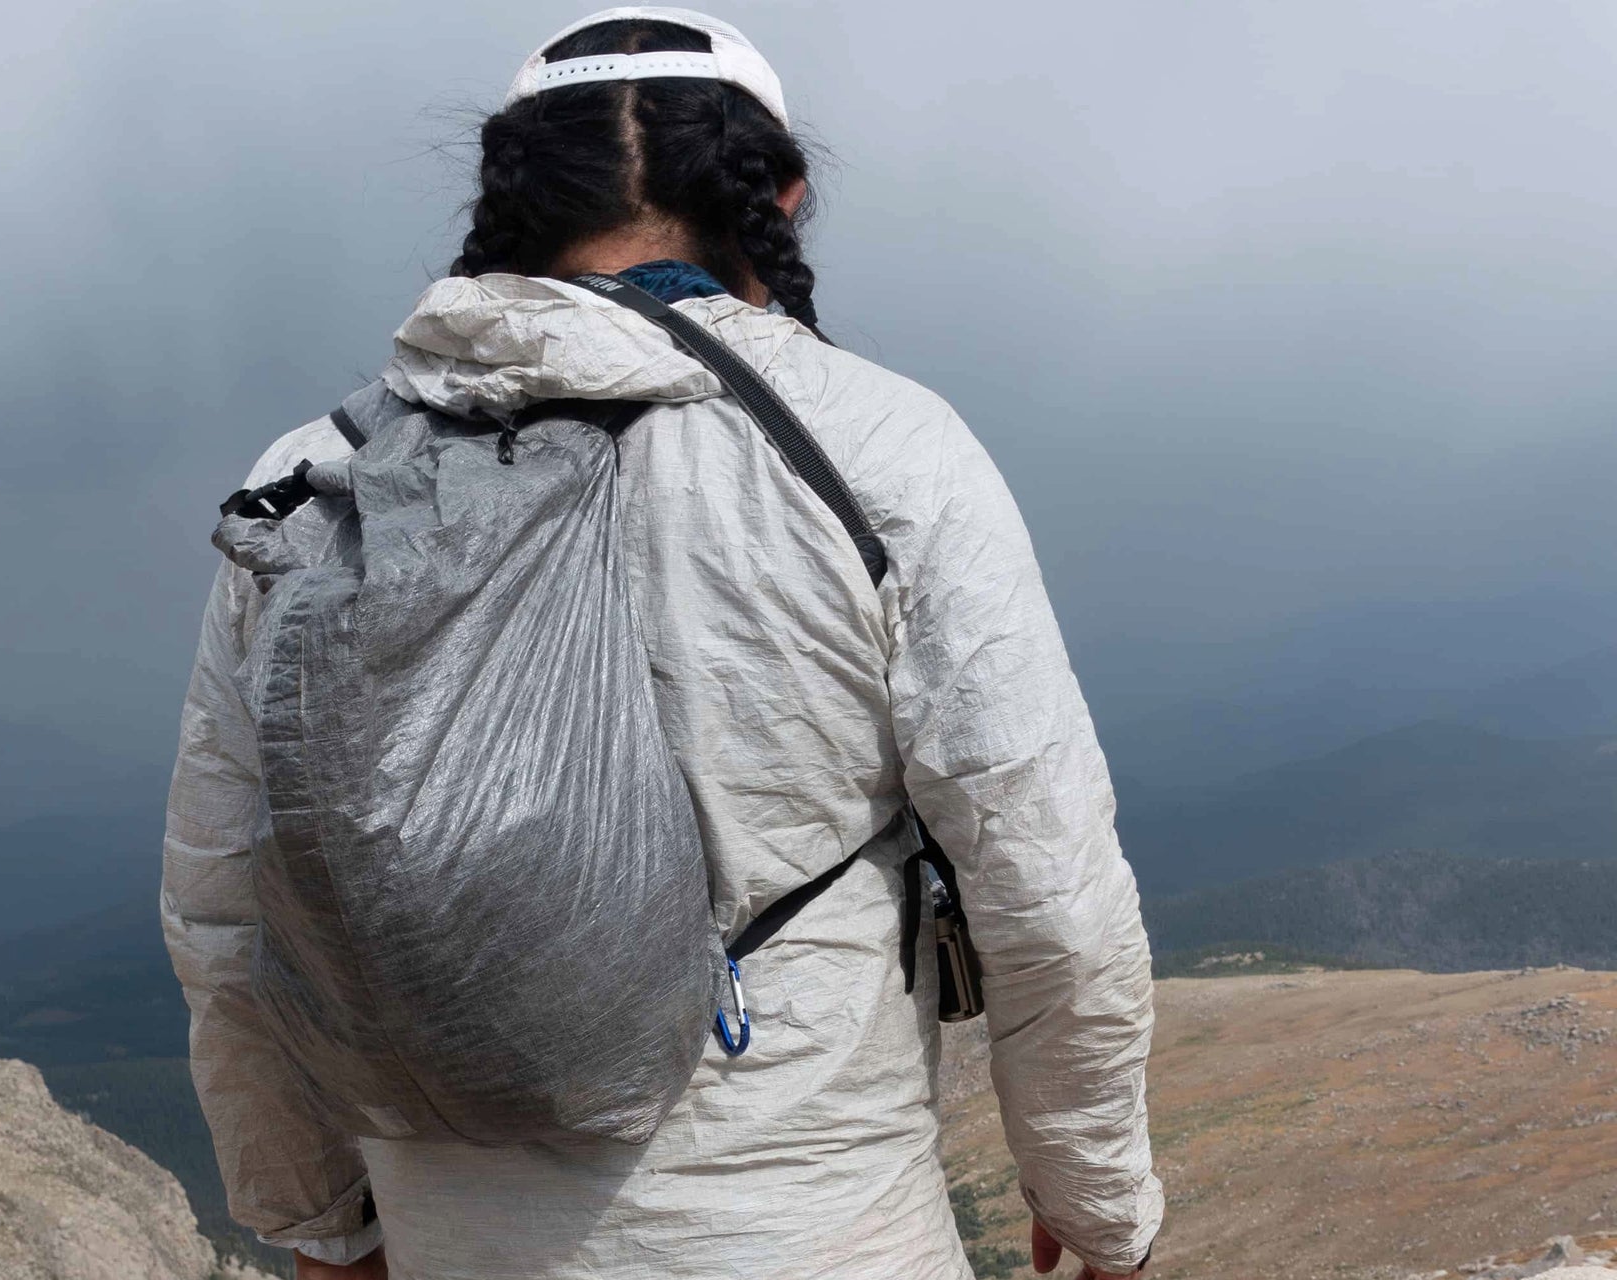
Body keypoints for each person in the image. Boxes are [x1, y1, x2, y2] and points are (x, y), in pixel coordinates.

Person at [163, 9, 1162, 1279]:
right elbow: (1045, 877)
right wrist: (1096, 1197)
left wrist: (319, 1221)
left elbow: (225, 904)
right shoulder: (878, 448)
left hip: (450, 1233)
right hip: (812, 1224)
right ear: (782, 199)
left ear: (510, 198)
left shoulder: (317, 481)